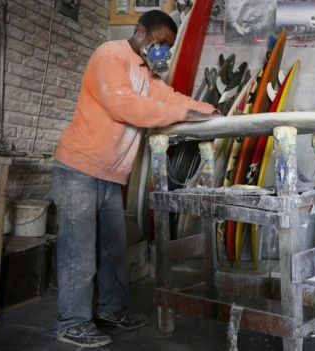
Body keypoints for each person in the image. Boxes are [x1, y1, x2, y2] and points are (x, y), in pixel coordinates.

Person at [52, 10, 217, 348]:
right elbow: (123, 105)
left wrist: (206, 110)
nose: (163, 53)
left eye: (168, 48)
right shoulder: (110, 55)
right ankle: (72, 323)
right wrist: (185, 114)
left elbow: (169, 98)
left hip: (109, 174)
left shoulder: (146, 73)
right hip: (79, 168)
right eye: (159, 44)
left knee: (114, 248)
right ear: (141, 32)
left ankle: (112, 309)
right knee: (78, 251)